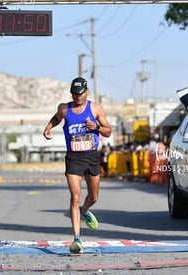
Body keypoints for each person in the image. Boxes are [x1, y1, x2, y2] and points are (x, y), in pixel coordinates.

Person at [43, 77, 112, 254]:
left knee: (94, 196)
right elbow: (57, 118)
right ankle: (77, 239)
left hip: (91, 157)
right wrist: (49, 127)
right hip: (73, 158)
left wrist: (96, 127)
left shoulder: (96, 108)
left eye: (80, 94)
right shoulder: (64, 109)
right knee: (75, 197)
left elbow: (108, 131)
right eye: (74, 94)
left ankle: (86, 210)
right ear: (71, 93)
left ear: (86, 92)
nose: (77, 97)